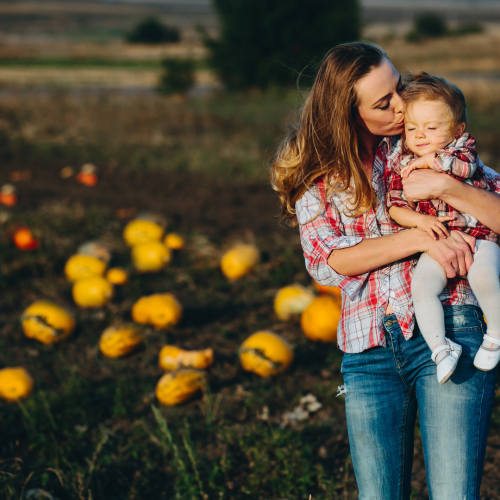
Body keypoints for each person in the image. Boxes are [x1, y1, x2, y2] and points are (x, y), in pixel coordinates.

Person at [270, 41, 500, 499]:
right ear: (348, 114)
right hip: (368, 351)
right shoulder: (318, 178)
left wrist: (443, 185)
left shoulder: (421, 140)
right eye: (384, 102)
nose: (402, 106)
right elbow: (327, 261)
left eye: (399, 88)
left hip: (451, 324)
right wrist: (416, 238)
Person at [387, 72, 500, 383]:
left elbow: (465, 168)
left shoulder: (461, 150)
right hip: (440, 238)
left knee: (484, 277)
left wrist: (429, 164)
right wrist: (421, 221)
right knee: (421, 286)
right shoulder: (402, 163)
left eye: (431, 128)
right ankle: (440, 348)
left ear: (457, 130)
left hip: (478, 236)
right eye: (412, 128)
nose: (420, 135)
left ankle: (496, 333)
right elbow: (395, 207)